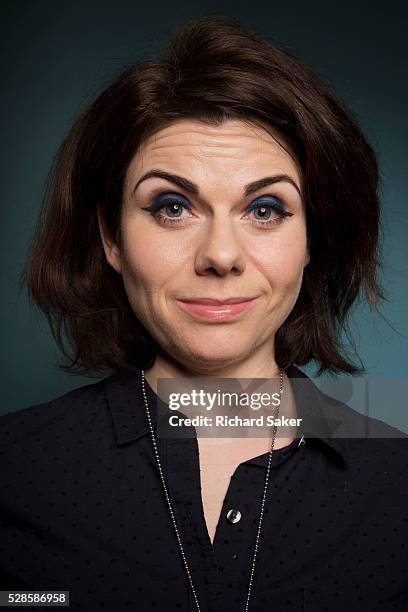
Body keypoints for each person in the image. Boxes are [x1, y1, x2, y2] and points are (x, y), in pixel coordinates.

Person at [1, 15, 407, 612]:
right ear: (111, 238)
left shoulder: (396, 480)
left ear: (314, 240)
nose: (220, 255)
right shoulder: (16, 469)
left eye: (266, 209)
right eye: (171, 207)